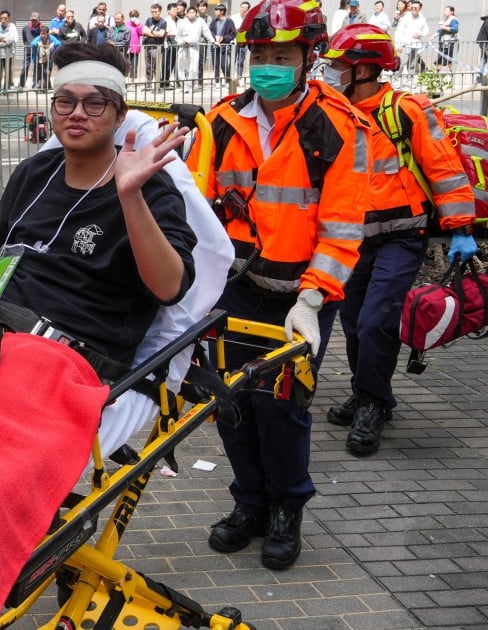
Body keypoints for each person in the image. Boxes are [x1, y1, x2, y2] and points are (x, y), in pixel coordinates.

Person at [186, 0, 371, 571]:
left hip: (301, 297)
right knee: (231, 402)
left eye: (281, 54)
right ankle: (249, 504)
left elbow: (342, 229)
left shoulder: (341, 127)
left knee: (283, 406)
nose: (268, 64)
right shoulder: (220, 122)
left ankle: (287, 507)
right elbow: (192, 210)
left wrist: (313, 300)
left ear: (308, 57)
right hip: (234, 290)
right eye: (260, 54)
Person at [0, 42, 196, 379]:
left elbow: (169, 288)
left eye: (95, 103)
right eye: (65, 101)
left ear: (121, 115)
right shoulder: (33, 173)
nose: (77, 113)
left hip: (71, 361)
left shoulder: (151, 190)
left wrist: (129, 196)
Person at [321, 24, 478, 454]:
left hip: (401, 236)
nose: (331, 72)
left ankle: (374, 403)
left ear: (365, 68)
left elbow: (445, 168)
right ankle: (363, 390)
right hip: (352, 239)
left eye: (340, 65)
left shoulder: (406, 108)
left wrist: (460, 228)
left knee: (377, 322)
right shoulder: (334, 111)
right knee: (353, 324)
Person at [175, 5, 212, 93]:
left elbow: (206, 32)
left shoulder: (200, 22)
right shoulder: (181, 22)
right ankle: (184, 86)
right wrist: (182, 42)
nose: (191, 14)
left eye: (193, 12)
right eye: (190, 12)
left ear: (196, 14)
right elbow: (177, 37)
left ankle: (190, 86)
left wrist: (213, 41)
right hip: (183, 47)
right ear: (187, 14)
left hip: (195, 47)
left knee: (194, 68)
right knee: (182, 68)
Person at [395, 1, 429, 78]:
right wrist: (399, 44)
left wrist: (421, 34)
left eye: (415, 8)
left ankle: (410, 81)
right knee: (402, 62)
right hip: (406, 44)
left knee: (412, 64)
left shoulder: (422, 18)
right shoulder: (405, 18)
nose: (413, 9)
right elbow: (400, 32)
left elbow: (426, 29)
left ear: (419, 9)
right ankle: (395, 78)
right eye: (412, 7)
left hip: (416, 45)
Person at [0, 11, 17, 91]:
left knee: (8, 72)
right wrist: (6, 40)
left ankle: (6, 88)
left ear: (9, 18)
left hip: (8, 53)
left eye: (5, 18)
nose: (3, 20)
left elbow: (12, 39)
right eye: (1, 18)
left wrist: (0, 43)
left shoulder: (12, 27)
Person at [210, 4, 237, 84]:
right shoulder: (214, 21)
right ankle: (217, 81)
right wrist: (215, 37)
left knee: (223, 64)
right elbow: (210, 31)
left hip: (224, 46)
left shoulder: (229, 21)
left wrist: (223, 38)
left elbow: (233, 33)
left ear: (222, 12)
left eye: (217, 10)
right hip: (215, 45)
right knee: (215, 64)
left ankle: (228, 81)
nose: (215, 12)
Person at [143, 5, 169, 86]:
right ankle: (149, 83)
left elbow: (161, 34)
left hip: (156, 47)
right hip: (147, 46)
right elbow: (144, 31)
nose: (153, 13)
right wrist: (155, 33)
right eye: (152, 12)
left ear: (160, 12)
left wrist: (150, 31)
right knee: (148, 67)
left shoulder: (163, 22)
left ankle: (157, 84)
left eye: (155, 12)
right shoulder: (148, 20)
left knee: (155, 67)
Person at [19, 13, 44, 88]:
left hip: (38, 51)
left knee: (37, 68)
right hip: (28, 51)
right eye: (32, 20)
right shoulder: (26, 28)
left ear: (39, 20)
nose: (34, 22)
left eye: (35, 20)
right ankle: (21, 84)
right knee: (25, 67)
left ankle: (34, 84)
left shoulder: (42, 28)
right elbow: (24, 38)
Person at [432, 5, 458, 72]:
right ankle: (441, 73)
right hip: (443, 43)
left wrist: (443, 27)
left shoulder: (453, 19)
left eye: (446, 10)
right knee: (443, 59)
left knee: (446, 59)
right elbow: (440, 30)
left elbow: (455, 29)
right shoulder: (446, 20)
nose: (444, 12)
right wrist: (433, 37)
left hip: (449, 43)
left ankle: (450, 72)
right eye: (444, 10)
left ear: (451, 12)